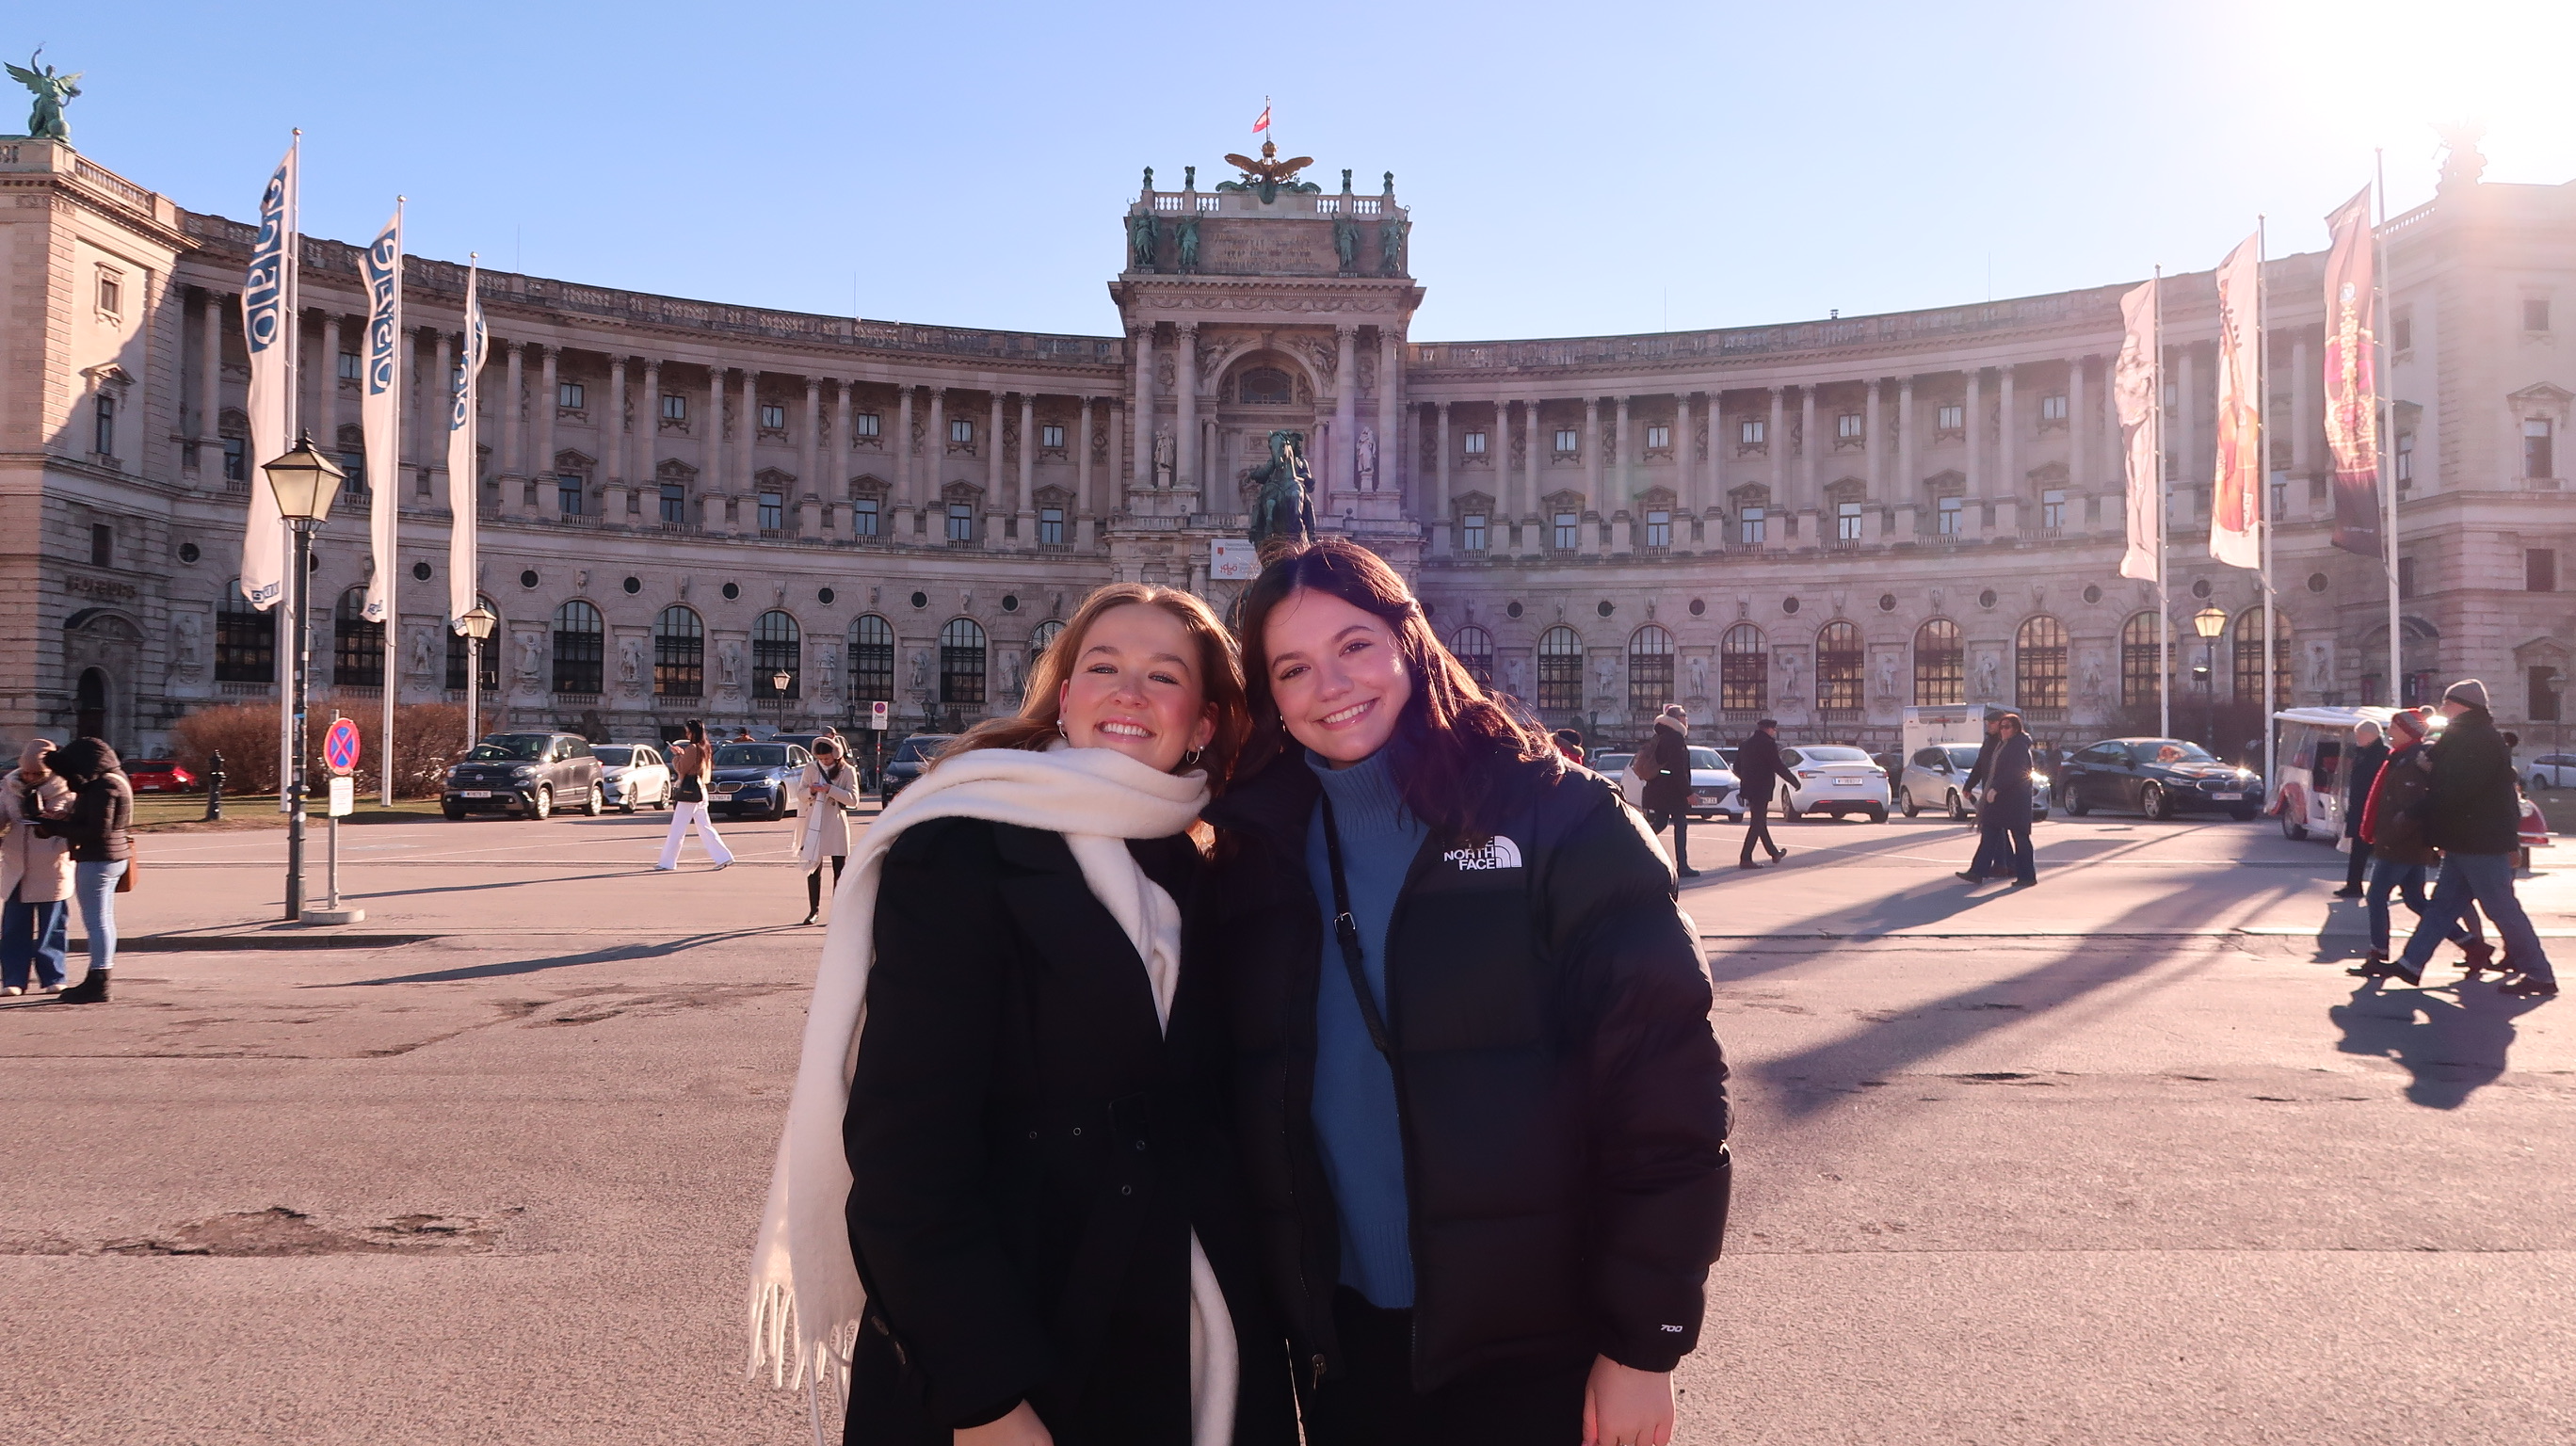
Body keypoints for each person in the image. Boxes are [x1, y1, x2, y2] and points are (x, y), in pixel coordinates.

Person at [1204, 538, 1731, 1446]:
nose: (1331, 685)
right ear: (1270, 699)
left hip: (1537, 1342)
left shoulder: (1559, 815)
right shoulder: (1252, 851)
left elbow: (1669, 1096)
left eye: (1355, 645)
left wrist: (1645, 1344)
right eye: (1293, 668)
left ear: (1411, 643)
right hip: (1346, 1345)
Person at [748, 582, 1294, 1446]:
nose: (1129, 692)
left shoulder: (1209, 867)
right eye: (1103, 667)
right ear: (1065, 696)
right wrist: (986, 1402)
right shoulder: (960, 848)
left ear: (1204, 722)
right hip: (1013, 1341)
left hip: (1185, 1337)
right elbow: (905, 1154)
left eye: (1163, 675)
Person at [2380, 680, 2556, 996]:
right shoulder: (2471, 736)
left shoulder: (2475, 739)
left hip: (2480, 840)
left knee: (2500, 908)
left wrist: (2416, 810)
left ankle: (2540, 974)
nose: (2443, 708)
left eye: (2447, 703)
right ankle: (2410, 964)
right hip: (2468, 838)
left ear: (2462, 705)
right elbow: (2457, 783)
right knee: (2443, 906)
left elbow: (2458, 790)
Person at [2347, 708, 2491, 974]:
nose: (2389, 732)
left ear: (2408, 731)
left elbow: (2411, 808)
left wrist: (2390, 837)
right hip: (2410, 843)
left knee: (2376, 896)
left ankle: (2378, 953)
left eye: (2394, 727)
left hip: (2402, 844)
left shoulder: (2412, 761)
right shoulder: (2401, 757)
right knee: (2415, 900)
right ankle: (2472, 945)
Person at [43, 738, 130, 1004]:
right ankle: (99, 975)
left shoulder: (104, 786)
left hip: (99, 858)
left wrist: (53, 828)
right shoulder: (115, 779)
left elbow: (96, 831)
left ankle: (99, 980)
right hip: (111, 856)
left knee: (97, 921)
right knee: (103, 920)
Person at [1, 739, 73, 997]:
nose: (30, 777)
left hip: (51, 863)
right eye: (27, 772)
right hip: (15, 865)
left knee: (52, 927)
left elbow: (73, 821)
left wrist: (53, 817)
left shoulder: (67, 787)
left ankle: (54, 976)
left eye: (37, 773)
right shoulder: (9, 785)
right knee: (13, 928)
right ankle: (13, 979)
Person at [1959, 713, 2037, 888]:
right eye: (2002, 727)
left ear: (2016, 729)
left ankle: (2027, 876)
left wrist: (1996, 788)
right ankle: (1977, 871)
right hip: (2001, 800)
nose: (2003, 730)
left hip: (2014, 800)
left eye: (2007, 727)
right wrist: (1974, 786)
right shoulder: (2002, 744)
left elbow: (2017, 772)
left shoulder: (2018, 745)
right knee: (1990, 832)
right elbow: (1982, 766)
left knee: (2020, 838)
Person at [796, 735, 860, 925]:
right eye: (821, 759)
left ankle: (838, 910)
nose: (824, 762)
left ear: (836, 755)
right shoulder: (811, 768)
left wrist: (830, 789)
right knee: (813, 867)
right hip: (814, 821)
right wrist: (812, 791)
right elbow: (800, 794)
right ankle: (813, 910)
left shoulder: (847, 770)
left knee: (839, 868)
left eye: (827, 758)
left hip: (835, 821)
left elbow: (853, 800)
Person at [655, 720, 735, 872]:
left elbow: (682, 768)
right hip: (701, 789)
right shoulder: (705, 747)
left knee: (677, 828)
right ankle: (724, 857)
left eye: (687, 731)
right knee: (705, 827)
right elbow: (694, 765)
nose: (686, 734)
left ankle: (667, 862)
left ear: (692, 732)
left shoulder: (692, 748)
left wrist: (677, 756)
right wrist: (682, 754)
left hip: (690, 791)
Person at [1640, 704, 1699, 877]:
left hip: (1658, 788)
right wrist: (1688, 793)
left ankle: (1635, 845)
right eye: (1684, 715)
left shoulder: (1661, 735)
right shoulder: (1675, 738)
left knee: (1660, 823)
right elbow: (1677, 768)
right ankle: (1683, 865)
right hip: (1671, 791)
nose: (1686, 719)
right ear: (1677, 719)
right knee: (1681, 824)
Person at [2332, 720, 2389, 899]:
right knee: (2358, 849)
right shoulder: (2363, 753)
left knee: (2384, 852)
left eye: (2360, 735)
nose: (2357, 738)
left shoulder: (2382, 755)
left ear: (2370, 735)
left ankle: (2392, 886)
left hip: (2373, 809)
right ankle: (2353, 885)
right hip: (2360, 808)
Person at [1735, 716, 1795, 870]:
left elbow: (1736, 767)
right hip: (1762, 789)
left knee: (1760, 821)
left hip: (1749, 788)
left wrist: (1747, 779)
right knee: (1757, 823)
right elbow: (1778, 765)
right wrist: (1794, 781)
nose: (1774, 732)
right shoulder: (1768, 744)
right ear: (1768, 729)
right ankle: (1745, 858)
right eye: (1773, 729)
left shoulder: (1745, 744)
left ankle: (1774, 853)